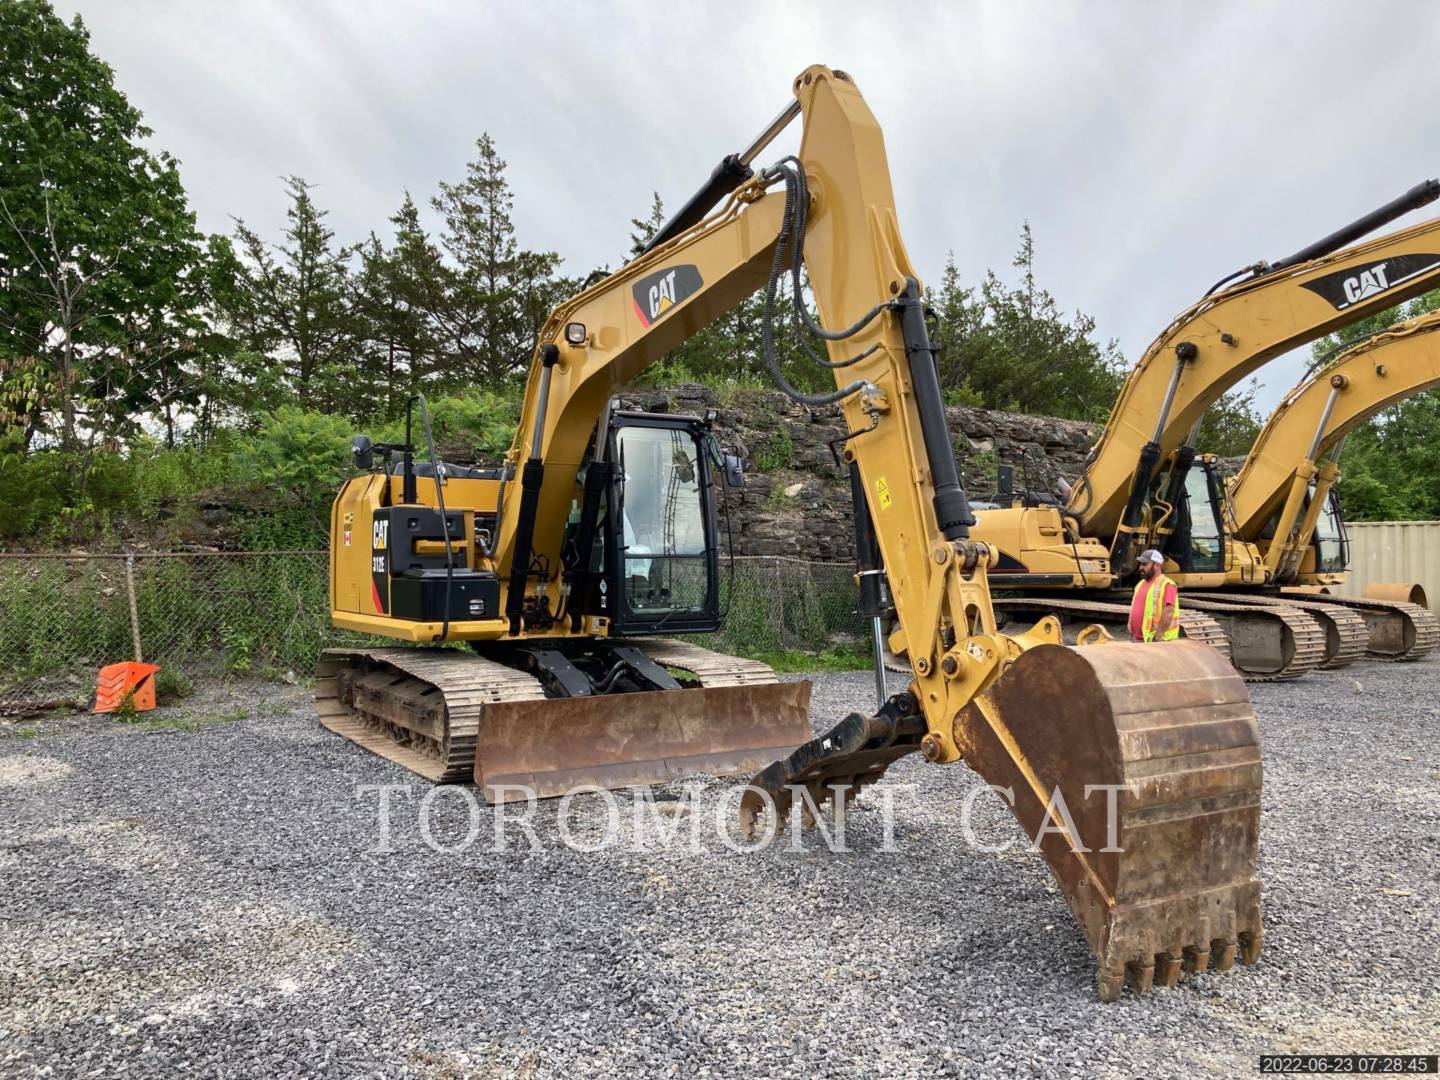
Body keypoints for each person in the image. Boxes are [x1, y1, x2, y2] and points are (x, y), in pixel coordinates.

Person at [1128, 549, 1180, 642]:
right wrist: (1130, 624)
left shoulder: (1167, 585)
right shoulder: (1140, 584)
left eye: (1145, 564)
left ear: (1157, 565)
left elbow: (1168, 612)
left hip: (1154, 641)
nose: (1140, 568)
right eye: (1140, 564)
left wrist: (1158, 637)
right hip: (1138, 638)